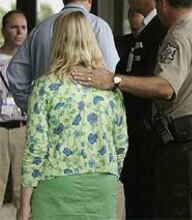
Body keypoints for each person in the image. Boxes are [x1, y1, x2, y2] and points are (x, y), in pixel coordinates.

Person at [72, 0, 192, 219]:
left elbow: (166, 86)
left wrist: (114, 80)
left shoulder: (178, 36)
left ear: (163, 2)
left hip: (181, 145)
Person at [19, 11, 128, 220]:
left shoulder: (44, 87)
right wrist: (107, 173)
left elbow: (36, 147)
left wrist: (24, 205)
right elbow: (121, 144)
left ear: (57, 40)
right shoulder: (109, 88)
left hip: (55, 185)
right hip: (102, 185)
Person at [7, 0, 119, 113]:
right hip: (90, 117)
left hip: (49, 116)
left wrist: (34, 106)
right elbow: (113, 73)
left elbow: (15, 72)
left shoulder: (39, 30)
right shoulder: (99, 26)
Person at [114, 0, 169, 219]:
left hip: (151, 151)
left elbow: (161, 85)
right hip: (138, 149)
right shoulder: (148, 31)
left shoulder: (164, 31)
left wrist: (115, 80)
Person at [0, 10, 27, 216]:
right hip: (0, 129)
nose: (19, 32)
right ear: (3, 30)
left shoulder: (31, 61)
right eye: (14, 27)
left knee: (23, 190)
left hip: (22, 128)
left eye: (23, 27)